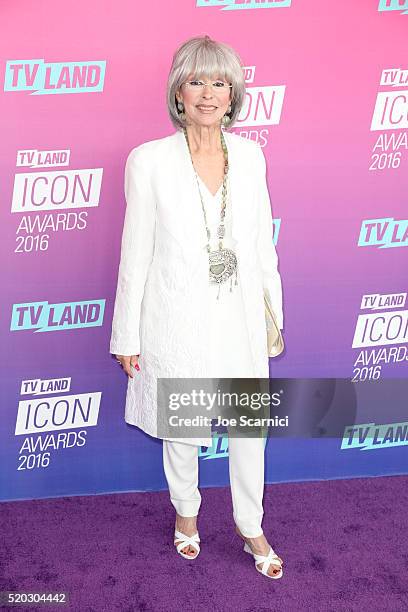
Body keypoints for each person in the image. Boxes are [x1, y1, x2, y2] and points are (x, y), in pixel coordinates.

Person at [110, 34, 284, 579]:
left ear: (233, 94)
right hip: (176, 313)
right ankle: (187, 515)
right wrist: (127, 337)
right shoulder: (149, 161)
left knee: (248, 426)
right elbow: (134, 253)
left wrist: (271, 315)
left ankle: (249, 523)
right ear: (178, 92)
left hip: (239, 314)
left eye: (220, 82)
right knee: (183, 425)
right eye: (197, 81)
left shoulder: (252, 156)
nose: (209, 93)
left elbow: (261, 246)